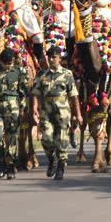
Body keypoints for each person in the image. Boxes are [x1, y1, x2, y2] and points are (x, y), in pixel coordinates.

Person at [30, 46, 84, 180]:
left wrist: (78, 114)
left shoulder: (67, 74)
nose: (51, 59)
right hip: (46, 111)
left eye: (54, 57)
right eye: (49, 57)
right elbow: (35, 93)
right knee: (46, 138)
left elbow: (74, 96)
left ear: (60, 58)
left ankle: (61, 166)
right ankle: (51, 159)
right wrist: (34, 109)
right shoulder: (42, 74)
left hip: (62, 111)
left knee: (62, 139)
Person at [0, 48, 29, 180]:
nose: (8, 65)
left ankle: (10, 167)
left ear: (13, 61)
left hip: (13, 108)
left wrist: (22, 110)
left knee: (12, 138)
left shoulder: (18, 72)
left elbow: (24, 93)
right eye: (5, 63)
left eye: (10, 63)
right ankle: (1, 163)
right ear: (1, 62)